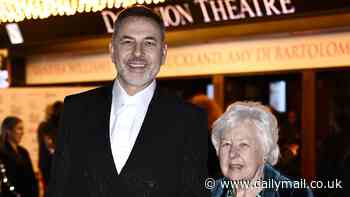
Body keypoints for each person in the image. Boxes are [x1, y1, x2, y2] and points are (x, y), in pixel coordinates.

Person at [47, 5, 209, 197]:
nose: (138, 53)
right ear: (112, 50)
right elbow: (59, 188)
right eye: (127, 42)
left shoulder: (190, 120)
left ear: (163, 53)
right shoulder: (76, 109)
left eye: (149, 43)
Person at [210, 102, 313, 197]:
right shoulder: (208, 191)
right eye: (226, 144)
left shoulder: (293, 193)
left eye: (243, 144)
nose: (232, 153)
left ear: (265, 150)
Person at [0, 116, 39, 197]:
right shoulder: (2, 152)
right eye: (19, 129)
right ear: (8, 131)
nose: (22, 132)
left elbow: (32, 177)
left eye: (22, 129)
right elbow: (5, 180)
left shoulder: (24, 152)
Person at [38, 101, 63, 189]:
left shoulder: (58, 125)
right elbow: (49, 146)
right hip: (49, 165)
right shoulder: (45, 126)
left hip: (52, 165)